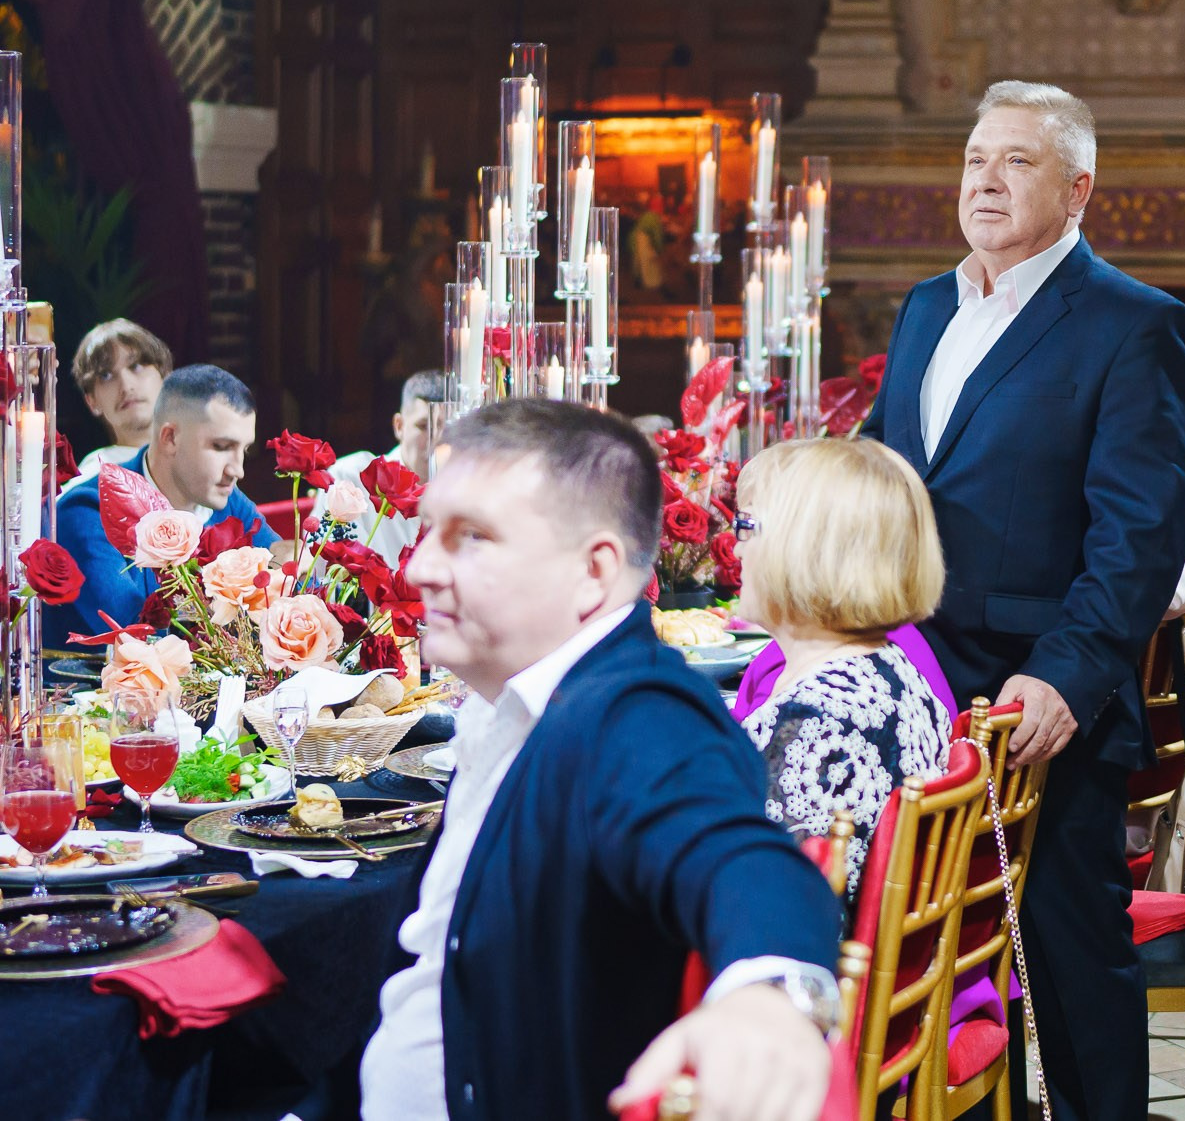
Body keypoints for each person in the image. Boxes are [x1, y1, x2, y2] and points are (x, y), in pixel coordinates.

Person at [857, 79, 1185, 1121]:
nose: (986, 181)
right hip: (915, 690)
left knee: (1067, 964)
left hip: (1035, 706)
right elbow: (887, 477)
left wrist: (1065, 676)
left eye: (1017, 161)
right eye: (975, 159)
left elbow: (1138, 536)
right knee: (933, 967)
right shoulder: (927, 306)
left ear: (1078, 187)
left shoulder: (1133, 324)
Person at [361, 399, 843, 1121]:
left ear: (593, 571)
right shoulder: (516, 700)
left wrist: (769, 996)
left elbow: (738, 856)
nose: (421, 566)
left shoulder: (635, 708)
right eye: (429, 529)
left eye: (472, 536)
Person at [729, 438, 953, 901]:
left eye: (747, 526)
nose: (735, 550)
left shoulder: (809, 725)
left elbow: (767, 910)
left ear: (806, 547)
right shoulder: (891, 670)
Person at [48, 365, 278, 644]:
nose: (238, 470)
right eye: (220, 447)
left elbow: (290, 584)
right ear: (170, 438)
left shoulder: (225, 498)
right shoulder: (87, 512)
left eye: (244, 449)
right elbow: (138, 635)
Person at [316, 369, 446, 556]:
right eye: (424, 426)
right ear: (399, 426)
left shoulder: (464, 490)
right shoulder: (351, 479)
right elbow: (323, 563)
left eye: (446, 427)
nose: (437, 438)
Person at [66, 318, 172, 490]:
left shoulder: (203, 466)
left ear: (165, 377)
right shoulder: (88, 488)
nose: (126, 386)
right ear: (91, 401)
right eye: (106, 375)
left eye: (136, 366)